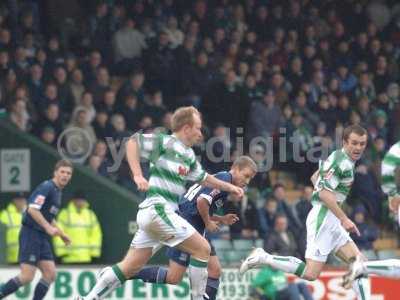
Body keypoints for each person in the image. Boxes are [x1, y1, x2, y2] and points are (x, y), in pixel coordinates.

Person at [75, 106, 244, 300]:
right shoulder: (164, 141)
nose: (200, 132)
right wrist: (138, 175)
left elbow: (205, 178)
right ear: (186, 128)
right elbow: (132, 143)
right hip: (158, 210)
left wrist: (230, 188)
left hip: (157, 216)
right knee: (203, 249)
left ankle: (88, 298)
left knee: (129, 267)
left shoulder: (188, 155)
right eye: (197, 127)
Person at [239, 125, 400, 300]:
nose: (358, 147)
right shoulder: (342, 163)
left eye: (362, 143)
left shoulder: (337, 157)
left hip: (331, 218)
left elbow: (315, 177)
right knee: (310, 273)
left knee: (359, 263)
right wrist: (344, 218)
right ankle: (264, 257)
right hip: (324, 218)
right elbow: (323, 193)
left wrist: (332, 205)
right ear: (345, 142)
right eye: (354, 143)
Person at [132, 156, 257, 300]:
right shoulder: (225, 179)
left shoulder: (223, 180)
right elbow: (201, 201)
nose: (247, 182)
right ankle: (130, 272)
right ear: (236, 169)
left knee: (214, 271)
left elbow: (200, 206)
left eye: (250, 179)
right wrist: (209, 223)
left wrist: (221, 219)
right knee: (174, 276)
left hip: (195, 224)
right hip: (187, 226)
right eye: (246, 176)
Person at [0, 159, 73, 300]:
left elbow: (49, 216)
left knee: (50, 273)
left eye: (68, 173)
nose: (65, 175)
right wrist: (47, 228)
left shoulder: (57, 191)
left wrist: (62, 234)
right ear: (55, 173)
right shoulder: (47, 187)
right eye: (62, 172)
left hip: (41, 237)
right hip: (31, 233)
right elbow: (32, 209)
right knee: (27, 276)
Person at [53, 190, 102, 264]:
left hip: (86, 258)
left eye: (82, 200)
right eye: (78, 200)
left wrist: (94, 253)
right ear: (73, 200)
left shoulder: (90, 215)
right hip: (68, 258)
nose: (80, 202)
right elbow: (59, 233)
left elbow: (96, 235)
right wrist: (62, 253)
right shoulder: (65, 214)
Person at [0, 193, 27, 264]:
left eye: (24, 200)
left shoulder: (27, 214)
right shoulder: (5, 214)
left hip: (25, 256)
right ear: (15, 201)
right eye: (21, 200)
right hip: (9, 258)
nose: (24, 202)